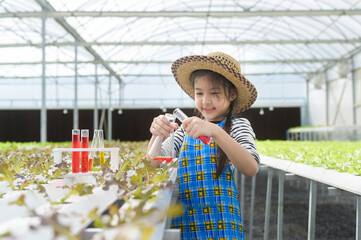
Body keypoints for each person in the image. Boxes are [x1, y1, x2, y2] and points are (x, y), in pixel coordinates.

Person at [147, 52, 260, 239]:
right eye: (199, 93)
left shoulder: (238, 126)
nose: (205, 101)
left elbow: (250, 168)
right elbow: (152, 165)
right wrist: (157, 135)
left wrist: (216, 132)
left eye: (214, 93)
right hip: (185, 221)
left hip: (222, 224)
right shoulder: (185, 130)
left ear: (232, 94)